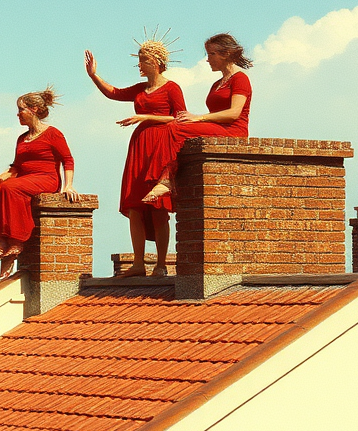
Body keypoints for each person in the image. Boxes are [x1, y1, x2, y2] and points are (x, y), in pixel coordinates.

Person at [85, 36, 186, 277]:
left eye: (143, 60)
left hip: (161, 146)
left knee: (158, 207)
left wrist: (145, 118)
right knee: (135, 206)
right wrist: (93, 75)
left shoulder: (171, 88)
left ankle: (161, 265)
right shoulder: (141, 89)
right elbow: (114, 93)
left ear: (157, 61)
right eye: (139, 60)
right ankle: (139, 263)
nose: (139, 65)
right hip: (140, 147)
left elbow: (180, 118)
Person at [0, 87, 80, 280]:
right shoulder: (22, 138)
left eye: (21, 110)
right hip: (24, 177)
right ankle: (0, 241)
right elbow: (16, 166)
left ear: (34, 109)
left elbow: (68, 159)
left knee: (11, 188)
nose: (18, 114)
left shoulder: (53, 134)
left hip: (45, 178)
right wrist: (4, 174)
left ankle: (17, 241)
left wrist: (68, 185)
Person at [144, 33, 253, 202]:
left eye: (212, 54)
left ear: (226, 54)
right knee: (173, 126)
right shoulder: (217, 84)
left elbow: (234, 113)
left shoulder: (240, 79)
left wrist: (198, 118)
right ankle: (165, 176)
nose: (208, 59)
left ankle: (166, 179)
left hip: (233, 130)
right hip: (218, 127)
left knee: (176, 128)